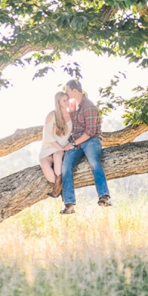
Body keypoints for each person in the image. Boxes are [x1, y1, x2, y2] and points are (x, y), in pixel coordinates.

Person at [59, 79, 111, 214]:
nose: (66, 93)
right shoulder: (73, 106)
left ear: (74, 91)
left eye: (67, 90)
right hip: (75, 142)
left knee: (94, 162)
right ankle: (69, 204)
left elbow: (90, 132)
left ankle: (104, 196)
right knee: (65, 168)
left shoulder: (89, 107)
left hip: (90, 140)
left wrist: (74, 143)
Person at [39, 91, 73, 198]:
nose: (67, 102)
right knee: (44, 163)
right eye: (64, 100)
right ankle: (59, 189)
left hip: (63, 146)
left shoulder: (72, 115)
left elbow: (76, 132)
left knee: (57, 156)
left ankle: (57, 188)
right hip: (50, 146)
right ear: (58, 102)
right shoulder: (52, 115)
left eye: (68, 99)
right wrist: (60, 147)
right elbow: (48, 135)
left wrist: (68, 145)